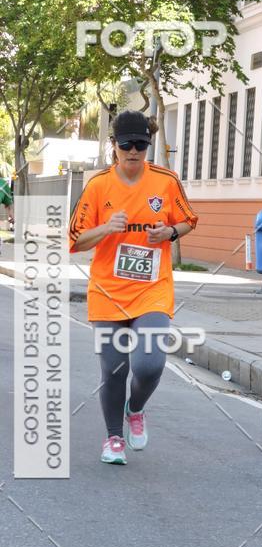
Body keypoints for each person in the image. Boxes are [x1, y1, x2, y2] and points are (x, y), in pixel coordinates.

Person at [69, 110, 198, 465]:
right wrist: (106, 228)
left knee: (149, 365)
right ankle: (113, 439)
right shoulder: (97, 186)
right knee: (113, 369)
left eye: (140, 144)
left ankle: (135, 408)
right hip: (108, 291)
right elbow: (76, 240)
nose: (133, 151)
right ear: (113, 146)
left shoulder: (165, 181)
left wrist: (169, 232)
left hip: (151, 288)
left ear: (148, 145)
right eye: (126, 144)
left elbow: (188, 220)